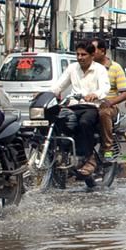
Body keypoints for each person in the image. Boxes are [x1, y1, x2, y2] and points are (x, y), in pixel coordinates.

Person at [49, 41, 114, 170]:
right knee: (59, 122)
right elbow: (58, 86)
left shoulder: (99, 69)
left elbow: (105, 87)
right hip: (73, 106)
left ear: (92, 55)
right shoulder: (72, 68)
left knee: (84, 122)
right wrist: (45, 94)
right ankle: (64, 152)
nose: (80, 57)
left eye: (83, 55)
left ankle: (90, 158)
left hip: (91, 107)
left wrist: (94, 94)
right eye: (78, 54)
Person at [90, 38, 126, 149]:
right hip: (89, 105)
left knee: (104, 113)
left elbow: (125, 93)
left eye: (93, 50)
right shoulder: (88, 67)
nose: (90, 52)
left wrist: (110, 102)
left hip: (108, 107)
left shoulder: (115, 68)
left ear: (102, 51)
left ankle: (108, 146)